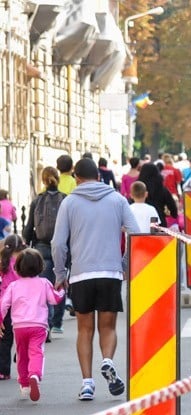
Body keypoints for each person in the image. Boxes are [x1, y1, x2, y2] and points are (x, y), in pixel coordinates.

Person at [52, 158, 141, 401]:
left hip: (81, 274)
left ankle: (87, 384)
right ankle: (108, 360)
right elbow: (136, 234)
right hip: (110, 273)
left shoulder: (69, 202)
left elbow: (58, 244)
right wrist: (123, 264)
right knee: (108, 327)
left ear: (77, 178)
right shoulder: (117, 200)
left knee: (84, 329)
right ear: (98, 176)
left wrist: (61, 274)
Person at [0, 247, 64, 401]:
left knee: (22, 354)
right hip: (38, 325)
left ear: (17, 268)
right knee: (36, 351)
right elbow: (54, 299)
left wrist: (1, 319)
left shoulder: (13, 286)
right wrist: (61, 290)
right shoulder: (44, 283)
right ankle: (34, 374)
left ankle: (24, 384)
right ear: (40, 266)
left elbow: (3, 304)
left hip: (19, 326)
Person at [22, 166, 67, 333]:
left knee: (44, 286)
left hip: (42, 247)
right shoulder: (65, 199)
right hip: (62, 247)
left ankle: (46, 322)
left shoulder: (37, 200)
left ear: (43, 180)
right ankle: (57, 323)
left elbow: (28, 228)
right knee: (60, 283)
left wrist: (25, 245)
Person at [0, 234, 27, 380]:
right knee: (23, 334)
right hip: (23, 304)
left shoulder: (3, 262)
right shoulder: (24, 262)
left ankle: (3, 370)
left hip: (6, 304)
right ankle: (22, 356)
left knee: (5, 338)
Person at [137, 162, 178, 229]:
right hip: (160, 221)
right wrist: (174, 214)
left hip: (141, 222)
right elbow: (171, 205)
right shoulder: (162, 189)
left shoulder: (139, 189)